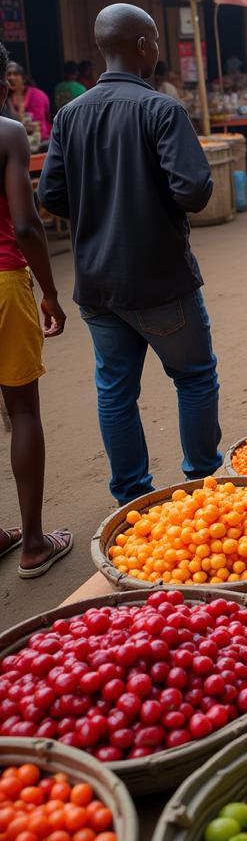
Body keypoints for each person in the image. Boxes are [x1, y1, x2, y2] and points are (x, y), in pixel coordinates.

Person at [38, 3, 220, 505]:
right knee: (195, 376)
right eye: (157, 41)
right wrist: (146, 199)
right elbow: (194, 190)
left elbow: (51, 196)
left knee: (116, 391)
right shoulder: (161, 109)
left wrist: (102, 206)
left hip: (97, 283)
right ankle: (203, 483)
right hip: (160, 279)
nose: (157, 50)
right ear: (143, 45)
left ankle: (132, 497)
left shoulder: (69, 115)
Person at [0, 38, 70, 577]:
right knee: (22, 410)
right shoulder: (6, 133)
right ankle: (32, 544)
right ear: (4, 81)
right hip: (3, 282)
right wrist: (48, 290)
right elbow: (26, 225)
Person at [5, 63, 50, 140]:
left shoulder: (37, 96)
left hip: (40, 141)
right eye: (8, 74)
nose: (11, 77)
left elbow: (38, 127)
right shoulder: (5, 98)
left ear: (24, 78)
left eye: (15, 74)